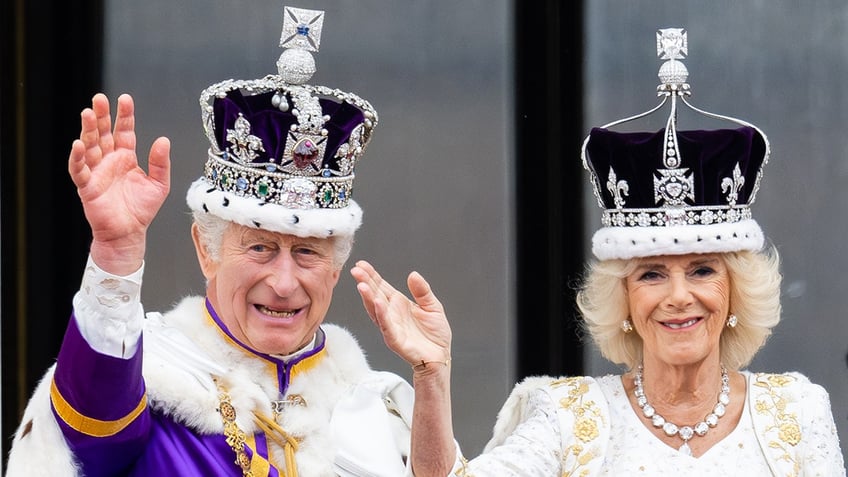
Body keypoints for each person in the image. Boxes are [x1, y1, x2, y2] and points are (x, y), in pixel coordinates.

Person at [351, 29, 846, 475]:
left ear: (736, 290)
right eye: (651, 274)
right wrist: (433, 373)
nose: (678, 296)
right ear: (623, 297)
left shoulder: (796, 413)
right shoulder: (568, 417)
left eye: (701, 270)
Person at [6, 6, 416, 477]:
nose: (284, 284)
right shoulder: (151, 380)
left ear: (336, 267)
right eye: (260, 247)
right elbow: (92, 427)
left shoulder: (372, 410)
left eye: (307, 252)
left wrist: (434, 376)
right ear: (207, 250)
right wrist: (116, 256)